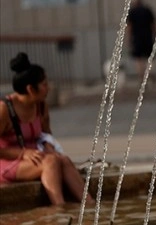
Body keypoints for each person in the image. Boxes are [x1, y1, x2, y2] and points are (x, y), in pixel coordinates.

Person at [0, 52, 93, 205]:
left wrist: (48, 146)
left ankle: (90, 204)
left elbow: (45, 134)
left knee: (62, 159)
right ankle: (59, 209)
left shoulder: (41, 105)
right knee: (50, 162)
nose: (48, 88)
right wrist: (23, 153)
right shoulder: (4, 109)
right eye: (44, 84)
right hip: (6, 162)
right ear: (30, 89)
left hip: (36, 158)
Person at [126, 0, 156, 85]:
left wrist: (129, 40)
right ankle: (152, 74)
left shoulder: (132, 12)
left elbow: (130, 27)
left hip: (137, 38)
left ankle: (142, 79)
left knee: (138, 60)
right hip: (148, 37)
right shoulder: (148, 10)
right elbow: (154, 25)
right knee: (150, 58)